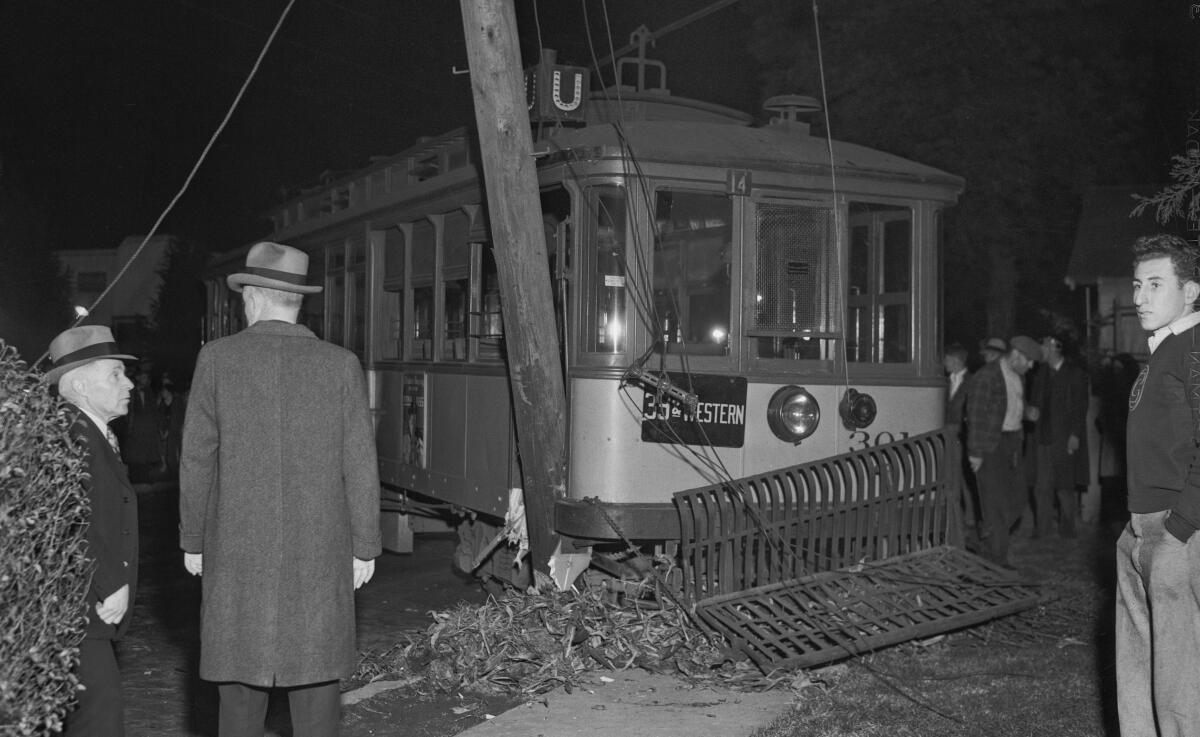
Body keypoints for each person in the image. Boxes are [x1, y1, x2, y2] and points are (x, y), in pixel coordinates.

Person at [180, 241, 382, 737]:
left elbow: (196, 458)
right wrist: (365, 545)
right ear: (297, 300)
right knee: (316, 693)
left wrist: (193, 540)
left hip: (236, 554)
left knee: (239, 694)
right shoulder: (340, 365)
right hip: (318, 556)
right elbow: (359, 462)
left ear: (250, 297)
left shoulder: (216, 359)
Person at [1115, 233, 1200, 736]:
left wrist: (1180, 526)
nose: (1139, 297)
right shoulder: (1164, 349)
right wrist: (1134, 533)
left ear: (1190, 290)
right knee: (1138, 674)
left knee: (1179, 683)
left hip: (1177, 532)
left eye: (1154, 284)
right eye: (1136, 285)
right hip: (1140, 528)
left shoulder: (1194, 347)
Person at [45, 325, 139, 736]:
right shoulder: (72, 436)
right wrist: (112, 581)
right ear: (81, 384)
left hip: (84, 606)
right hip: (81, 606)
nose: (129, 383)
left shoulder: (90, 432)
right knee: (100, 717)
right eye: (115, 374)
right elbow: (70, 519)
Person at [966, 335, 1043, 568]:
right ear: (1016, 355)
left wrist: (1027, 411)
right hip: (990, 446)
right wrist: (975, 453)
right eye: (1028, 361)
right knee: (995, 502)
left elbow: (1013, 405)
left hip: (1013, 444)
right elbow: (976, 417)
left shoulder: (1018, 376)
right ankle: (997, 560)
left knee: (1018, 498)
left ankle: (983, 537)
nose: (1030, 367)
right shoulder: (986, 377)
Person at [1026, 333, 1090, 537]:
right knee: (1041, 486)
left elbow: (1081, 407)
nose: (1040, 350)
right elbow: (1035, 402)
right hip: (1042, 439)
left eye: (1043, 345)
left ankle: (1068, 528)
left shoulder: (1075, 374)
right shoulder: (1040, 373)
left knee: (1064, 486)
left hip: (1064, 439)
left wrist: (1075, 435)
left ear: (1055, 347)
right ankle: (1042, 528)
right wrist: (1031, 411)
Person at [942, 343, 976, 535]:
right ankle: (959, 515)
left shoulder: (971, 382)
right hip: (948, 433)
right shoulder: (946, 382)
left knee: (962, 476)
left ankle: (968, 516)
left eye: (946, 359)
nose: (943, 362)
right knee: (952, 475)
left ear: (956, 361)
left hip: (961, 434)